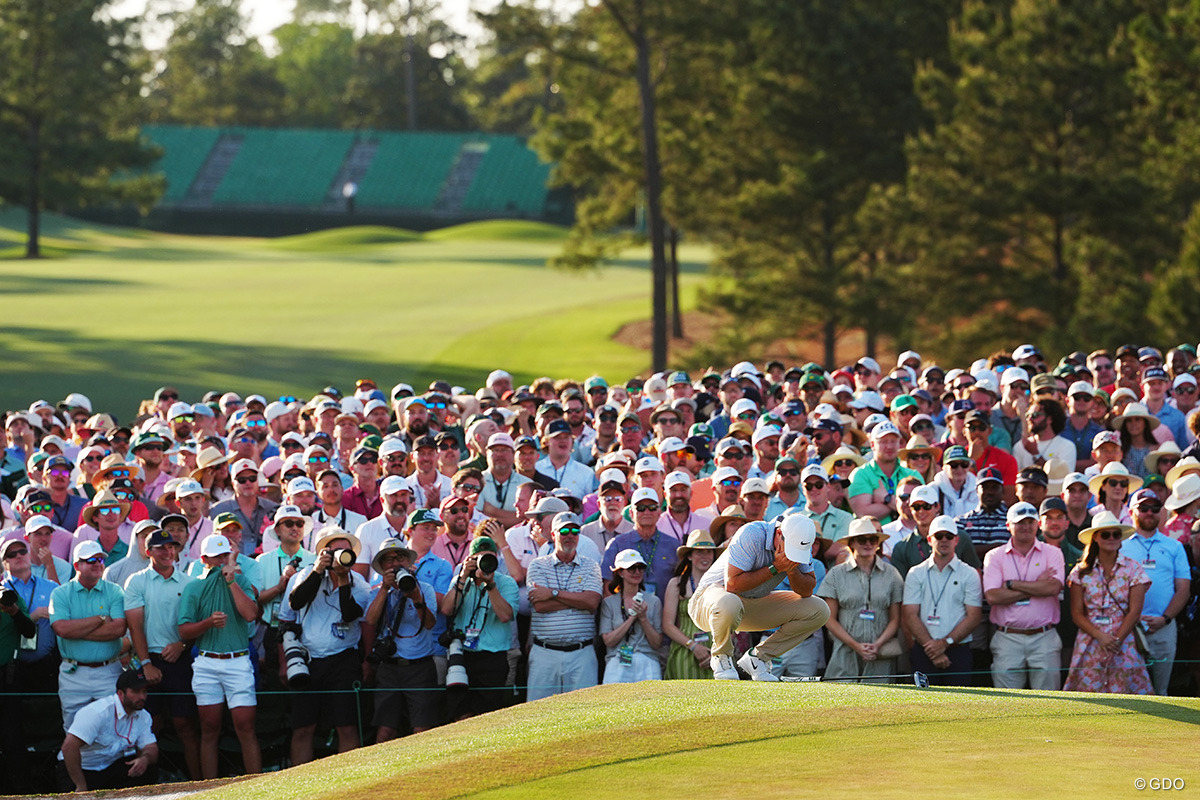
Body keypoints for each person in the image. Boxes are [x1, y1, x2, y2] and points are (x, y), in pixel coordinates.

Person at [690, 514, 830, 681]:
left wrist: (792, 570)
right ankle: (721, 656)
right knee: (730, 601)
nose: (794, 555)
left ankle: (758, 658)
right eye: (792, 549)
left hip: (748, 604)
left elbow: (806, 591)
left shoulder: (800, 543)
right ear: (779, 534)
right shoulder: (752, 533)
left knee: (819, 609)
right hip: (707, 603)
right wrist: (776, 567)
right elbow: (732, 585)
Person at [277, 526, 370, 763]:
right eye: (335, 551)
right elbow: (292, 608)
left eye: (346, 552)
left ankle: (350, 783)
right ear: (322, 553)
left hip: (343, 659)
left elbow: (350, 614)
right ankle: (302, 788)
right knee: (303, 728)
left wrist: (342, 578)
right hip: (307, 660)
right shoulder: (304, 575)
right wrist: (318, 570)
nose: (341, 556)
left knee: (347, 726)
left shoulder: (358, 582)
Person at [177, 533, 260, 779]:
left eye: (226, 555)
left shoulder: (242, 582)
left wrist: (232, 582)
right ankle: (210, 788)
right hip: (206, 662)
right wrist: (208, 623)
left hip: (238, 660)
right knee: (209, 729)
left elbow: (250, 614)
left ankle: (259, 786)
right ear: (204, 559)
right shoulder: (194, 587)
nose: (223, 561)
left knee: (246, 726)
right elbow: (184, 630)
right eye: (217, 557)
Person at [122, 529, 199, 780]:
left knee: (184, 724)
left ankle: (201, 784)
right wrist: (145, 663)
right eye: (161, 548)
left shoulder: (188, 583)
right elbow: (135, 626)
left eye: (171, 547)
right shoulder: (136, 581)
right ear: (148, 552)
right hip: (149, 660)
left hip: (180, 659)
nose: (168, 552)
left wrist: (182, 645)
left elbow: (195, 625)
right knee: (149, 725)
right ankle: (148, 784)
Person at [1062, 511, 1153, 694]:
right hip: (1090, 640)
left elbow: (1135, 611)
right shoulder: (1080, 572)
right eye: (1105, 534)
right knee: (1089, 696)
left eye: (1116, 534)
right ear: (1095, 538)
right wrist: (1101, 636)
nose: (1111, 538)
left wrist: (1117, 640)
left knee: (1127, 696)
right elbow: (1077, 614)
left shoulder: (1133, 568)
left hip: (1124, 638)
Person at [981, 502, 1066, 690]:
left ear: (1038, 524)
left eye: (1030, 522)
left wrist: (1012, 585)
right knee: (1009, 706)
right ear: (1008, 525)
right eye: (1020, 522)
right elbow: (993, 596)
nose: (1026, 527)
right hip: (1008, 637)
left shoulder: (1053, 553)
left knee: (1049, 705)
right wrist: (1037, 586)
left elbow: (1053, 588)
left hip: (1044, 636)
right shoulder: (994, 556)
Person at [365, 538, 439, 740]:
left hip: (419, 666)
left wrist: (416, 598)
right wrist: (384, 589)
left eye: (399, 557)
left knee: (422, 730)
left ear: (408, 561)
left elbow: (430, 624)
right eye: (388, 560)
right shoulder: (378, 591)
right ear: (381, 567)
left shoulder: (425, 588)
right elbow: (370, 620)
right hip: (389, 667)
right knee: (385, 731)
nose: (395, 563)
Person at [49, 540, 127, 729]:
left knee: (111, 728)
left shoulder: (115, 590)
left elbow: (118, 629)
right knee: (74, 729)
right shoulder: (60, 593)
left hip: (108, 671)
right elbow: (62, 629)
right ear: (77, 565)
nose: (98, 564)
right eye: (91, 560)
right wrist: (100, 619)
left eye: (100, 559)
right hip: (72, 673)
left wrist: (76, 631)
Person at [525, 512, 603, 701]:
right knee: (539, 715)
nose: (570, 535)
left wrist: (553, 593)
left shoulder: (591, 566)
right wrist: (578, 600)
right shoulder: (537, 566)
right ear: (553, 535)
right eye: (564, 531)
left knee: (583, 715)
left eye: (575, 531)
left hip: (581, 653)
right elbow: (540, 605)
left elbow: (592, 602)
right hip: (545, 653)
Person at [438, 535, 518, 719]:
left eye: (489, 557)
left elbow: (505, 616)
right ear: (470, 559)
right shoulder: (461, 580)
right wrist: (463, 577)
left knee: (488, 717)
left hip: (493, 658)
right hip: (461, 656)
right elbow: (447, 609)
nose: (485, 562)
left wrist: (490, 585)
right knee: (460, 714)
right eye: (480, 557)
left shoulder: (506, 583)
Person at [1120, 488, 1190, 695]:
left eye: (1154, 508)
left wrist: (1165, 618)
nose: (1149, 512)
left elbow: (1183, 590)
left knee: (1161, 691)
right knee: (1127, 692)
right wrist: (1133, 618)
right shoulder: (1119, 546)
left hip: (1164, 626)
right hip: (1128, 627)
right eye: (1143, 508)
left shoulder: (1174, 547)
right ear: (1132, 511)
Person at [816, 518, 904, 682]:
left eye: (873, 539)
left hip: (881, 655)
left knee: (882, 705)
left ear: (878, 543)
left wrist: (877, 645)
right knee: (840, 704)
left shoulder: (892, 574)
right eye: (862, 539)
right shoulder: (836, 574)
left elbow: (895, 619)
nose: (868, 544)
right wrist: (855, 645)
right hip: (844, 654)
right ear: (852, 543)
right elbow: (829, 619)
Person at [902, 515, 984, 686]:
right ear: (930, 539)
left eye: (949, 536)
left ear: (957, 540)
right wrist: (933, 649)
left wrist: (944, 644)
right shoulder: (916, 573)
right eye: (939, 536)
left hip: (958, 650)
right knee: (922, 709)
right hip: (924, 650)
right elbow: (910, 614)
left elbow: (974, 616)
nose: (944, 540)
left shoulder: (969, 574)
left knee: (958, 708)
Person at [58, 669, 158, 792]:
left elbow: (151, 748)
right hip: (82, 768)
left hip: (113, 765)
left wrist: (145, 759)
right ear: (121, 693)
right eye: (136, 691)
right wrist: (81, 786)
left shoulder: (144, 716)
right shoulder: (98, 712)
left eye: (144, 691)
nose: (142, 697)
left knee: (149, 768)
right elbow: (69, 747)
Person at [601, 487, 680, 603]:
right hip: (626, 616)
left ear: (659, 513)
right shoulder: (617, 544)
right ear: (632, 513)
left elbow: (681, 585)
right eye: (641, 508)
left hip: (664, 614)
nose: (647, 512)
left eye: (652, 508)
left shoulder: (673, 545)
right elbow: (607, 588)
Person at [599, 549, 664, 683]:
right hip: (617, 661)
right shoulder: (609, 603)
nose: (637, 572)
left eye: (641, 568)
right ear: (620, 572)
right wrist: (632, 618)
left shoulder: (654, 601)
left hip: (647, 660)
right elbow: (608, 641)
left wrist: (643, 618)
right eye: (631, 568)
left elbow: (657, 643)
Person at [662, 530, 718, 679]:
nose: (705, 557)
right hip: (685, 650)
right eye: (699, 552)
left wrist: (717, 652)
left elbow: (729, 623)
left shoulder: (721, 584)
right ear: (689, 555)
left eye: (709, 552)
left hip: (716, 653)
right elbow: (667, 625)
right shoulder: (676, 584)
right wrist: (693, 646)